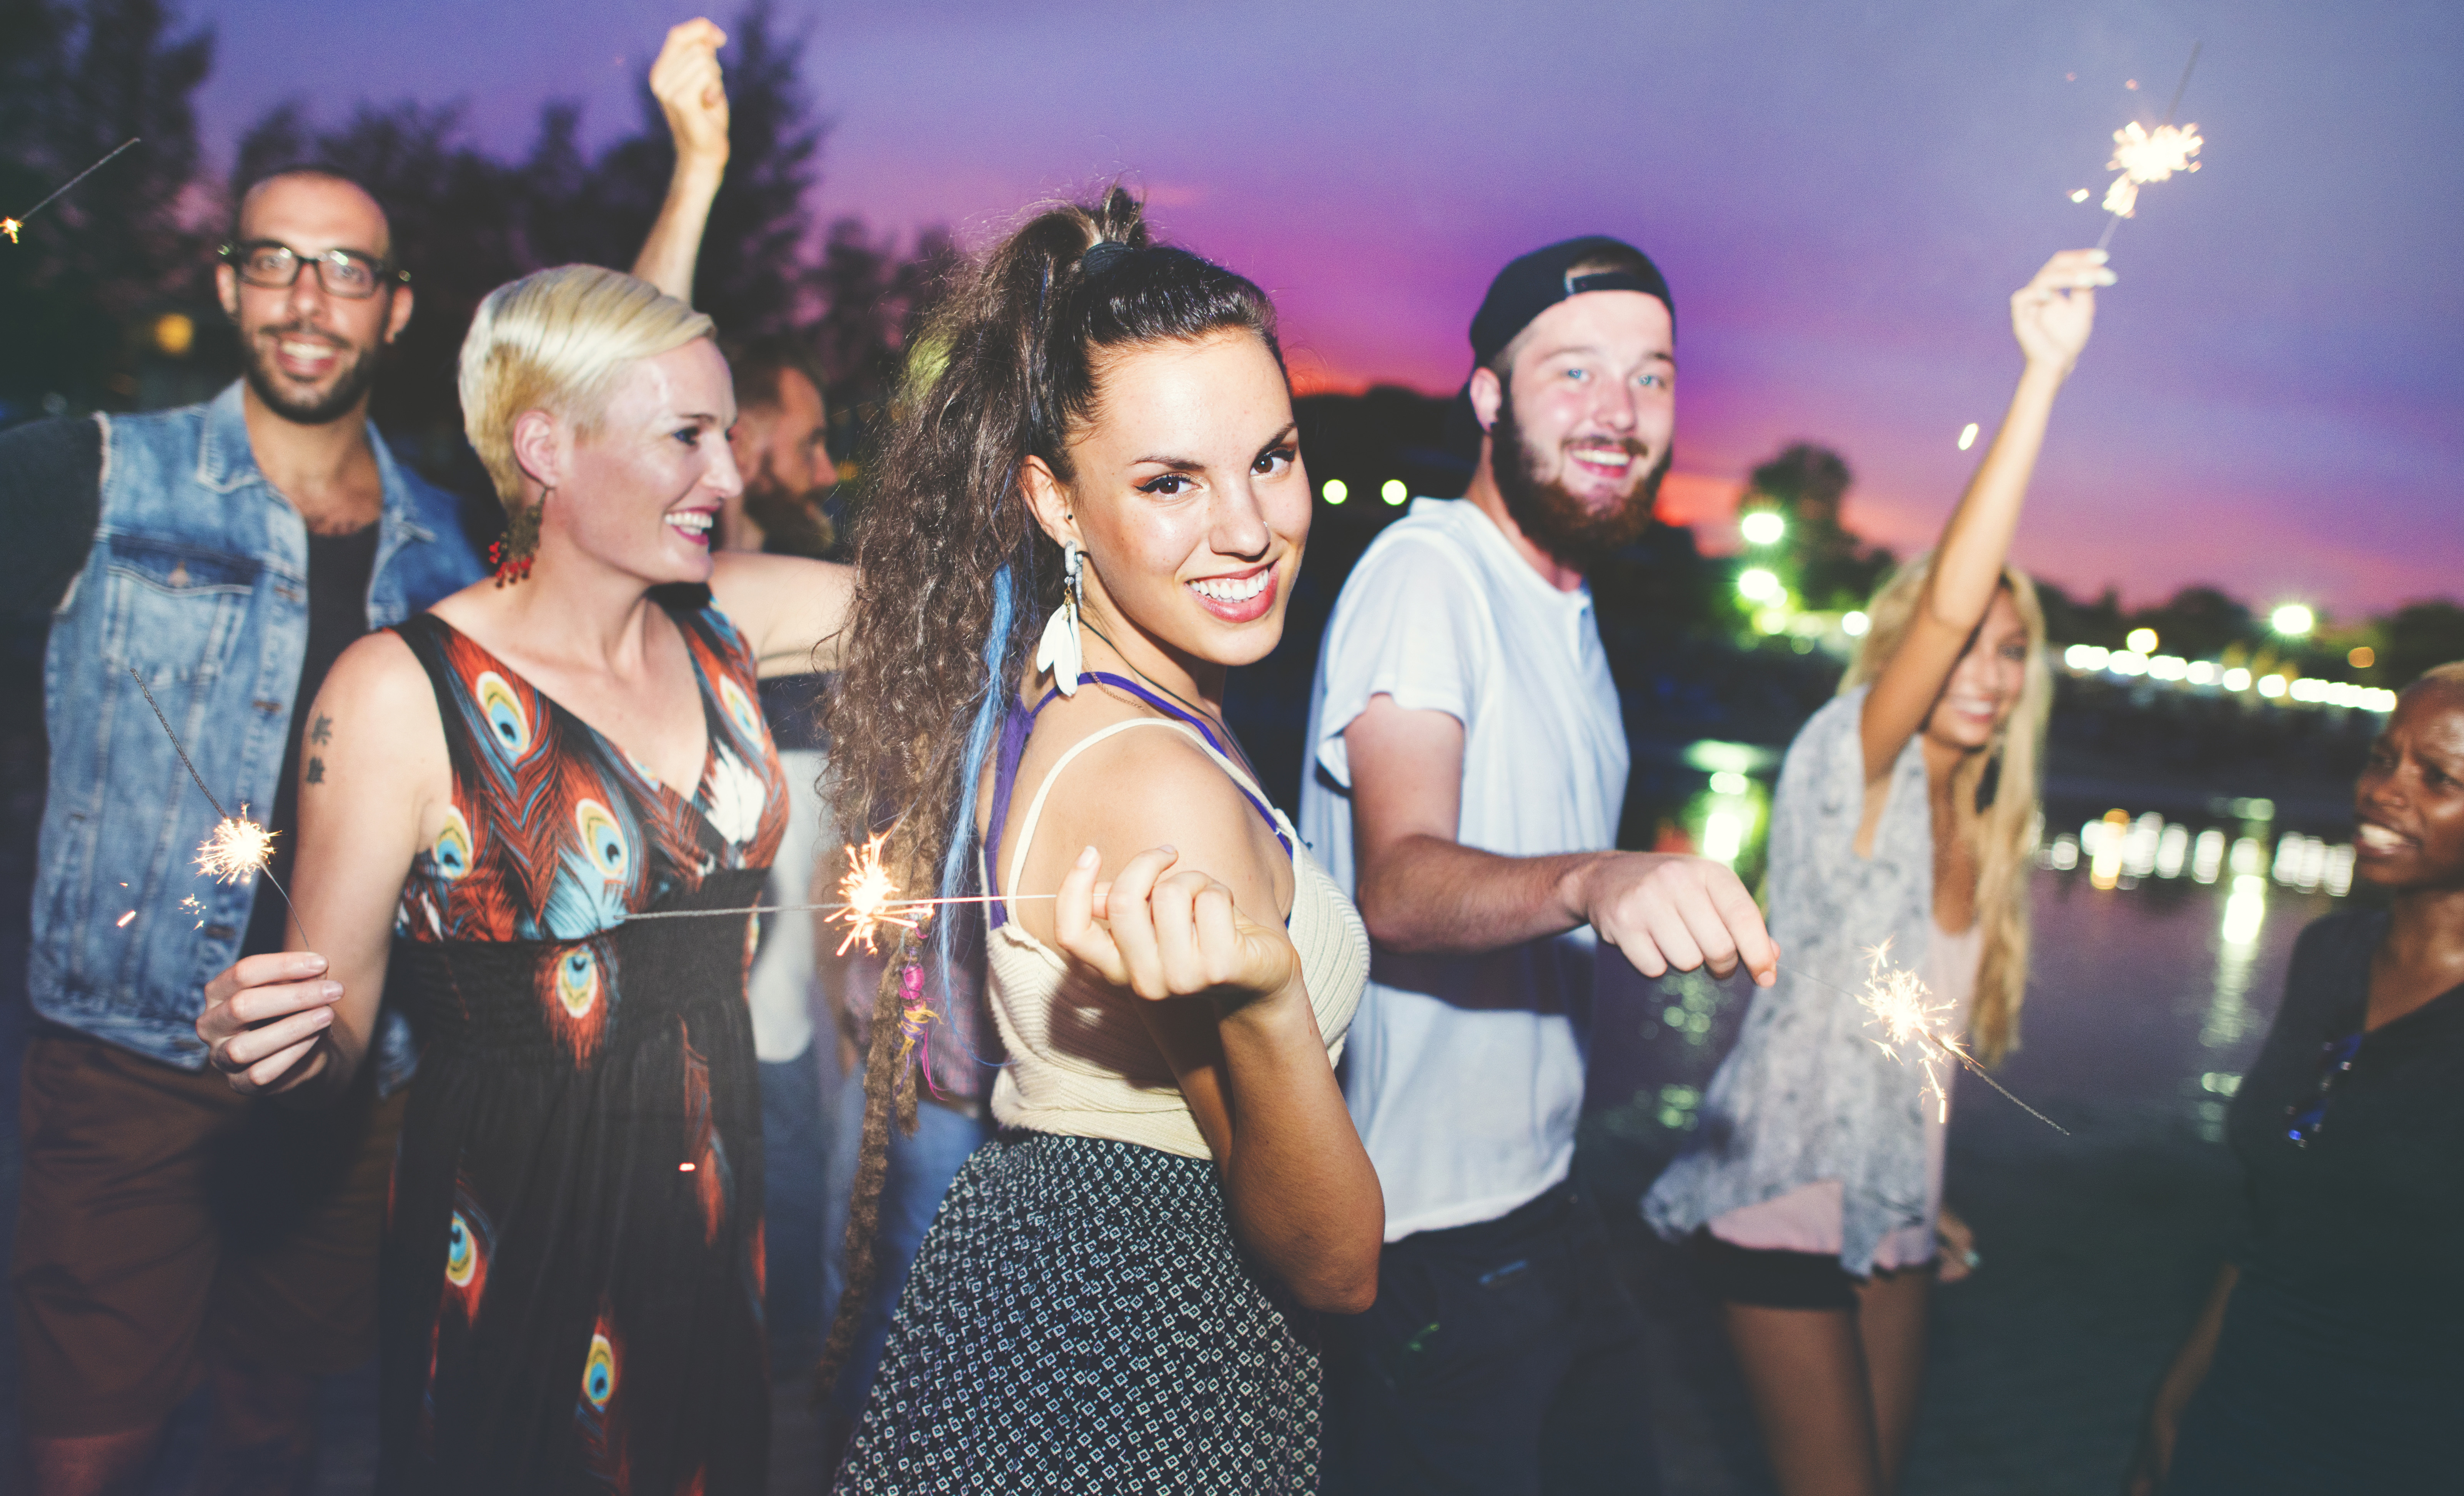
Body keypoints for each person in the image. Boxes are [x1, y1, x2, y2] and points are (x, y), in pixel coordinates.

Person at [191, 264, 853, 1489]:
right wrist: (282, 1050)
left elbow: (969, 617)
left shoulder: (730, 622)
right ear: (545, 444)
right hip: (516, 1219)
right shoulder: (398, 692)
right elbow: (330, 1035)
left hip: (711, 1196)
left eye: (729, 436)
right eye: (688, 437)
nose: (728, 475)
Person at [820, 188, 1381, 1492]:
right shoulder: (1150, 787)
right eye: (1169, 482)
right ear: (1057, 504)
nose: (1247, 528)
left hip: (1044, 1289)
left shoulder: (1080, 687)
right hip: (1132, 1340)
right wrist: (1267, 995)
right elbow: (1334, 1265)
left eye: (1272, 457)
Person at [1, 164, 485, 1494]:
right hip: (127, 1065)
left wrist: (694, 175)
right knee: (86, 1453)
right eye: (274, 262)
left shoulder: (453, 551)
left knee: (275, 1431)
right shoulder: (92, 478)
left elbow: (621, 412)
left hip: (354, 1084)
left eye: (345, 270)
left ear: (394, 309)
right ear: (227, 286)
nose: (307, 299)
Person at [1300, 235, 1781, 1495]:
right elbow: (1394, 884)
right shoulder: (1427, 575)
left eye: (1650, 378)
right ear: (1486, 396)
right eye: (1571, 372)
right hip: (1422, 1239)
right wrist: (1593, 880)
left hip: (1545, 1210)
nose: (1617, 414)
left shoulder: (1565, 610)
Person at [1643, 251, 2108, 1496]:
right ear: (1905, 651)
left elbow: (1914, 1055)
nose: (1981, 669)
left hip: (1894, 1209)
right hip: (1786, 1191)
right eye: (1959, 644)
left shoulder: (1987, 829)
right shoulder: (1854, 767)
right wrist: (2038, 378)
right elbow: (1951, 598)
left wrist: (1920, 1196)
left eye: (2011, 652)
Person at [2126, 663, 2464, 1495]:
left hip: (2409, 1449)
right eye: (2383, 758)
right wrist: (2172, 1409)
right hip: (2240, 1416)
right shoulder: (2330, 956)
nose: (2385, 791)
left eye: (2439, 777)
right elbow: (2268, 1220)